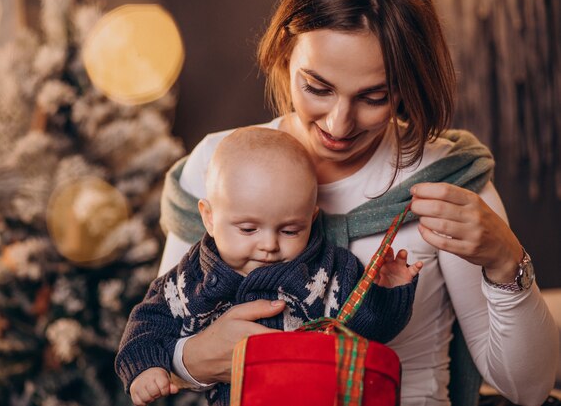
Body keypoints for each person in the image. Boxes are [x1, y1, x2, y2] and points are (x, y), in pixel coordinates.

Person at [157, 0, 560, 405]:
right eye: (317, 87)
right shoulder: (218, 165)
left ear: (407, 86)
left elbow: (527, 390)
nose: (339, 123)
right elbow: (156, 343)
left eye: (373, 97)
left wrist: (505, 260)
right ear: (284, 54)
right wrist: (194, 358)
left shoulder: (448, 182)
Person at [116, 127, 423, 406]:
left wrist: (389, 293)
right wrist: (145, 366)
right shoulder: (192, 277)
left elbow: (370, 329)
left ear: (311, 219)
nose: (270, 245)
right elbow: (148, 321)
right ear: (209, 218)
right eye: (248, 229)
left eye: (290, 231)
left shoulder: (329, 271)